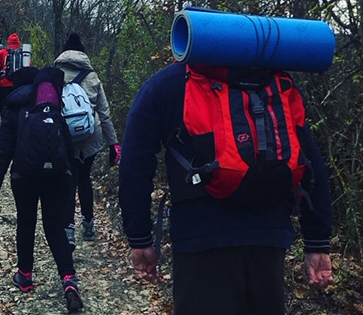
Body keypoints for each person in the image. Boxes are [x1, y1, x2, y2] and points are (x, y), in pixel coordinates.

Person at [119, 60, 334, 315]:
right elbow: (311, 162)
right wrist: (317, 242)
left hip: (199, 239)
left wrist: (140, 237)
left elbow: (135, 162)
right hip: (269, 238)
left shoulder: (166, 83)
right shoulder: (268, 77)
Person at [0, 67, 83, 313]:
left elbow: (3, 151)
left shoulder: (13, 108)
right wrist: (70, 179)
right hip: (56, 177)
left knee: (26, 223)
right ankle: (69, 281)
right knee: (54, 227)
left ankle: (25, 275)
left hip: (23, 176)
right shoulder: (52, 106)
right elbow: (68, 148)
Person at [54, 33, 120, 247]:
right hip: (91, 136)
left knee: (68, 181)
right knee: (85, 179)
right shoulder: (92, 76)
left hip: (66, 138)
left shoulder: (55, 75)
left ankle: (68, 229)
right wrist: (113, 145)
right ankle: (89, 225)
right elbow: (105, 112)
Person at [0, 33, 22, 117]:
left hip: (4, 85)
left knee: (4, 106)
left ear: (8, 42)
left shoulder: (2, 52)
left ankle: (5, 123)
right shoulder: (24, 54)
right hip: (19, 86)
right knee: (17, 106)